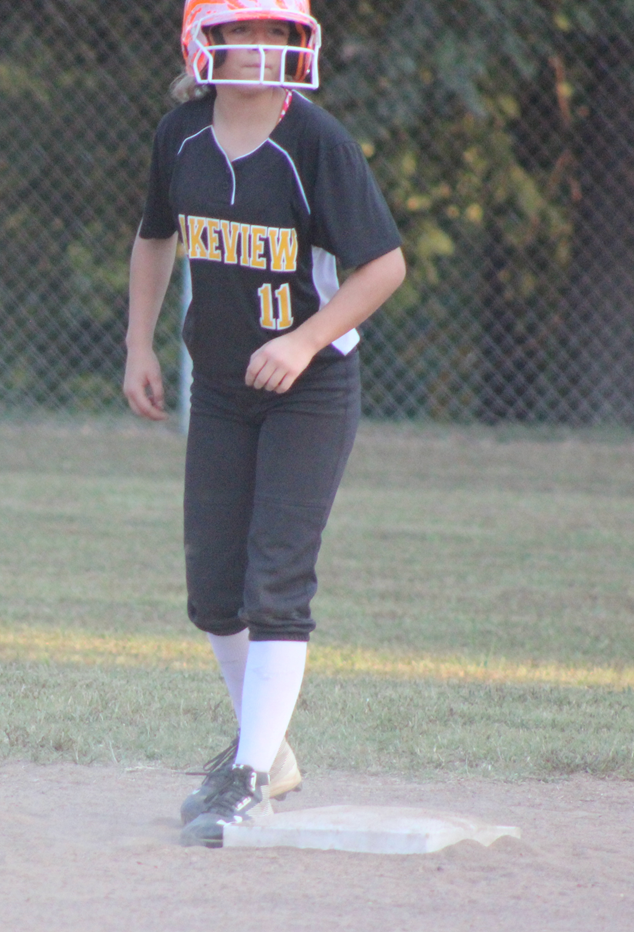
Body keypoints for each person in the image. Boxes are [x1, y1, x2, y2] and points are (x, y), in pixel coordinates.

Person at [123, 0, 405, 848]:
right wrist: (138, 343)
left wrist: (304, 339)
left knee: (275, 580)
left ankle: (248, 775)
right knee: (215, 593)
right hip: (219, 385)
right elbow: (154, 237)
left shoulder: (315, 141)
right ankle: (268, 749)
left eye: (277, 33)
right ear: (203, 40)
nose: (260, 47)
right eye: (242, 31)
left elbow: (384, 265)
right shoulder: (180, 135)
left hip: (311, 388)